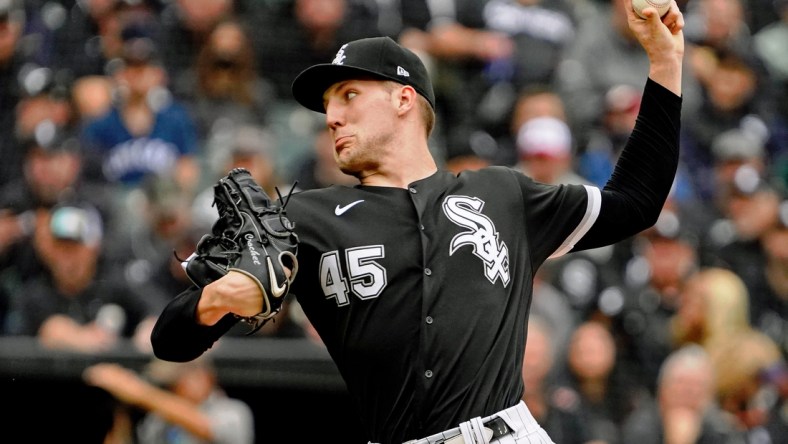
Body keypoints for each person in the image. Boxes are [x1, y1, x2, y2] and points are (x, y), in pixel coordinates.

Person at [151, 0, 686, 441]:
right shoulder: (303, 217)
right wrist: (217, 299)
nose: (332, 114)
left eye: (349, 94)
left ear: (404, 98)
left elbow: (637, 201)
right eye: (329, 104)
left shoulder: (501, 193)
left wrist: (665, 64)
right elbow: (169, 342)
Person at [83, 354, 255, 444]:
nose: (172, 389)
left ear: (203, 377)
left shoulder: (233, 411)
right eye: (169, 384)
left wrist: (138, 392)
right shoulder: (158, 420)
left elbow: (205, 427)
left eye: (177, 381)